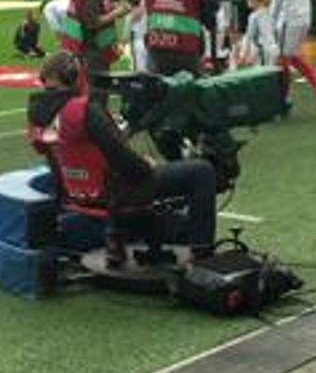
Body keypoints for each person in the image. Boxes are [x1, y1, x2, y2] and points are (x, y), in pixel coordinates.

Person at [26, 52, 219, 268]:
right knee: (202, 171)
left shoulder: (35, 113)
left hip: (75, 192)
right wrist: (147, 165)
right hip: (115, 191)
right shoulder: (84, 109)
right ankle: (202, 254)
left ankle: (115, 244)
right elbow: (122, 158)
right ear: (75, 76)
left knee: (107, 174)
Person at [63, 0, 131, 101]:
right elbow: (92, 23)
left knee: (85, 92)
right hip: (93, 51)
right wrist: (117, 13)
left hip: (80, 48)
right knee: (97, 94)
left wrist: (111, 7)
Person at [144, 0, 205, 77]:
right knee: (189, 86)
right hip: (186, 47)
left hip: (157, 45)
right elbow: (205, 11)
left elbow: (148, 10)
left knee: (159, 86)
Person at [238, 0, 279, 68]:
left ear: (254, 0)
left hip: (263, 50)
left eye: (248, 0)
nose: (247, 2)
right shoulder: (271, 13)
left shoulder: (254, 16)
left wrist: (243, 55)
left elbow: (249, 36)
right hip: (275, 48)